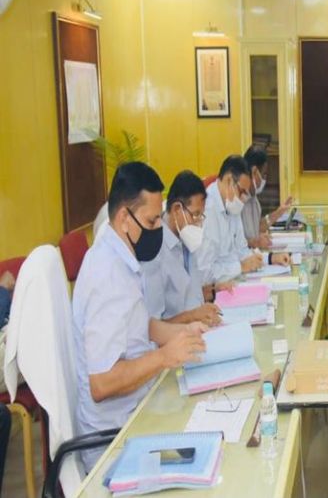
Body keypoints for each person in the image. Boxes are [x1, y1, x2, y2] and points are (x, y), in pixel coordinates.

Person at [72, 162, 208, 470]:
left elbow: (139, 326)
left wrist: (184, 332)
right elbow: (101, 384)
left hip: (139, 408)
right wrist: (164, 357)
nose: (158, 229)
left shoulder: (121, 258)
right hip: (115, 440)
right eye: (151, 221)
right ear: (124, 218)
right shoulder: (106, 276)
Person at [142, 171, 223, 325]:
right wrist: (193, 316)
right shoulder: (155, 251)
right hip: (176, 335)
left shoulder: (185, 238)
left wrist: (208, 298)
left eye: (201, 216)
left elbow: (189, 293)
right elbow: (152, 327)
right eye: (195, 215)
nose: (198, 223)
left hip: (199, 329)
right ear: (177, 209)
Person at [197, 155, 289, 285]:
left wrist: (270, 258)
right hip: (217, 290)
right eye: (241, 191)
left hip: (234, 281)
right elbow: (204, 274)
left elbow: (242, 250)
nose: (243, 198)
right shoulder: (207, 210)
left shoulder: (231, 204)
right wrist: (240, 267)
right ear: (229, 180)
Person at [241, 145, 293, 250]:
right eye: (264, 175)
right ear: (254, 171)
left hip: (253, 255)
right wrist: (254, 242)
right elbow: (232, 243)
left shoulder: (253, 199)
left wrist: (279, 212)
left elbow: (258, 226)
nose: (264, 180)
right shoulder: (236, 201)